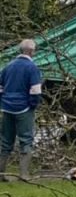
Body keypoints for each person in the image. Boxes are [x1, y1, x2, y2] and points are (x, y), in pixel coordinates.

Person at [0, 38, 43, 180]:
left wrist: (3, 101)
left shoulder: (8, 66)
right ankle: (24, 174)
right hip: (24, 108)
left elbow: (0, 87)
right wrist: (32, 105)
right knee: (26, 140)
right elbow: (36, 91)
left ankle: (1, 173)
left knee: (6, 141)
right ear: (31, 51)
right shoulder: (32, 68)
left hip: (7, 107)